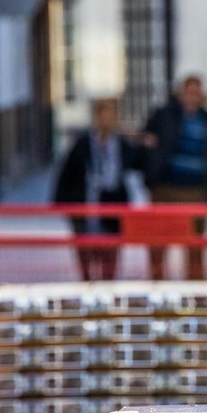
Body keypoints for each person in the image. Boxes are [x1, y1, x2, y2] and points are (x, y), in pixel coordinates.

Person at [53, 97, 144, 281]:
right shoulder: (83, 143)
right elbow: (67, 174)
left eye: (110, 115)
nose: (106, 120)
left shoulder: (121, 143)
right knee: (86, 259)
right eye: (102, 115)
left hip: (112, 207)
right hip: (86, 205)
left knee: (109, 260)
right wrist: (64, 206)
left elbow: (137, 163)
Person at [142, 74, 207, 280]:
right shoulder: (164, 116)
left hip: (195, 192)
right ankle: (157, 287)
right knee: (158, 244)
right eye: (189, 92)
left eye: (197, 92)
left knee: (195, 247)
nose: (193, 97)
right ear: (181, 94)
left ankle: (195, 291)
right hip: (164, 189)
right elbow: (146, 140)